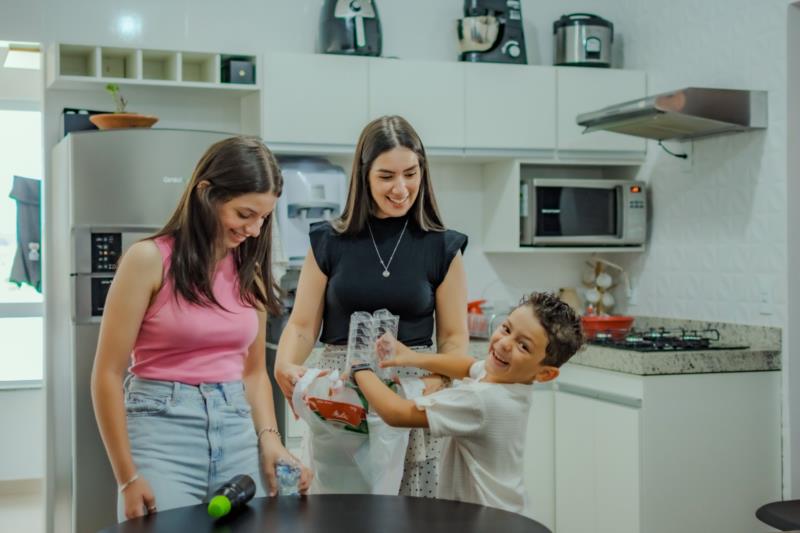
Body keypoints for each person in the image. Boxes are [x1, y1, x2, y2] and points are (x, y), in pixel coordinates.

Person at [91, 136, 311, 521]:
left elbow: (254, 373)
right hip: (162, 433)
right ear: (205, 194)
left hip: (237, 430)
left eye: (263, 217)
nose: (255, 230)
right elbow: (106, 375)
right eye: (245, 214)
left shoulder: (251, 274)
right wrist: (127, 477)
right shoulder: (147, 260)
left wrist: (271, 443)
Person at [274, 115, 469, 496]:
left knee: (408, 515)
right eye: (386, 176)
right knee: (339, 510)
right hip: (339, 396)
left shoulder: (443, 247)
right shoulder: (328, 241)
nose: (401, 188)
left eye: (411, 173)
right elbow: (301, 326)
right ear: (364, 176)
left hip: (412, 394)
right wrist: (284, 364)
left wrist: (438, 380)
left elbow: (453, 339)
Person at [350, 292, 585, 515]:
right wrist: (410, 355)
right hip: (504, 513)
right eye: (506, 329)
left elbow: (397, 413)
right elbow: (468, 365)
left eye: (523, 346)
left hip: (485, 521)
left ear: (545, 374)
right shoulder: (509, 382)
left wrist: (358, 366)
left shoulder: (483, 400)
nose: (504, 343)